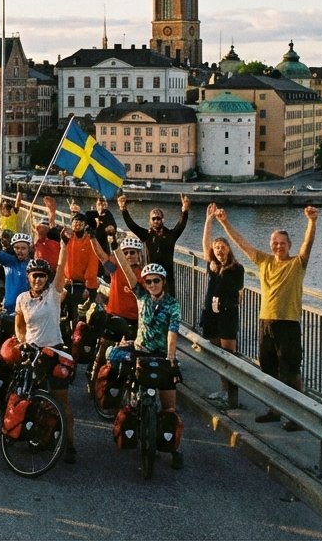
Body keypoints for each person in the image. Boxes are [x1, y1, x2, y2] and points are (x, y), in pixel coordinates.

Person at [214, 204, 318, 431]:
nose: (278, 246)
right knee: (269, 368)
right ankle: (274, 410)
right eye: (275, 243)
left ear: (289, 246)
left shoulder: (296, 264)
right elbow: (242, 244)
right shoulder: (264, 261)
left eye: (283, 243)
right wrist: (224, 222)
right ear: (271, 245)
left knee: (291, 370)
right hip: (266, 321)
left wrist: (311, 222)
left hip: (288, 322)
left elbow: (307, 245)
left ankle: (297, 416)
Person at [12, 254, 78, 463]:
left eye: (42, 276)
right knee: (33, 398)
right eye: (34, 276)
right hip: (33, 352)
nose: (38, 279)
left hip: (54, 351)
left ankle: (69, 444)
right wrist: (22, 341)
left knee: (61, 400)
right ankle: (38, 435)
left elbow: (61, 267)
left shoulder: (53, 294)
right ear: (28, 277)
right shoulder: (22, 298)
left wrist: (64, 246)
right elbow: (19, 323)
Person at [120, 261, 184, 468]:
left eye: (156, 281)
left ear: (163, 282)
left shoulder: (173, 304)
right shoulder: (142, 297)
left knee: (169, 407)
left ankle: (173, 448)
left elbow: (172, 330)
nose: (152, 284)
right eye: (148, 282)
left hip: (162, 355)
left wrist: (171, 356)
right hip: (141, 352)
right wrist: (114, 246)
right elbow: (128, 273)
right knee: (131, 395)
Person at [200, 205, 245, 406]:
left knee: (230, 357)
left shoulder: (236, 269)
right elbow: (205, 244)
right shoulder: (212, 265)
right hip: (212, 315)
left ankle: (232, 396)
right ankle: (224, 390)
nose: (219, 250)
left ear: (228, 249)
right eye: (216, 248)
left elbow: (238, 292)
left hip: (227, 316)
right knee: (218, 355)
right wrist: (209, 220)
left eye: (222, 247)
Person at [117, 193, 190, 292]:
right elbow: (132, 226)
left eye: (158, 218)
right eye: (153, 218)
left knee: (168, 306)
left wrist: (185, 211)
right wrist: (123, 209)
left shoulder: (171, 235)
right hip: (150, 279)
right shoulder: (146, 235)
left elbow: (181, 225)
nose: (156, 221)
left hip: (166, 280)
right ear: (150, 221)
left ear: (162, 219)